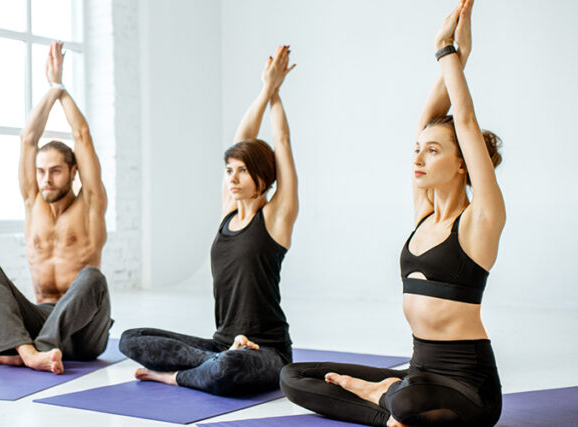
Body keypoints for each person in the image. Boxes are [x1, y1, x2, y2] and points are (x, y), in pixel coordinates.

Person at [280, 2, 504, 425]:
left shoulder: (479, 221)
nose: (418, 157)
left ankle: (388, 397)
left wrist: (447, 52)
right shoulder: (423, 212)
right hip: (419, 372)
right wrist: (459, 59)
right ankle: (389, 408)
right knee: (293, 377)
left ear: (464, 165)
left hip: (467, 387)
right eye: (416, 149)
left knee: (409, 401)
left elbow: (467, 123)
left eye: (432, 151)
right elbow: (426, 119)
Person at [118, 45, 299, 396]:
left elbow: (283, 142)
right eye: (229, 170)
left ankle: (176, 376)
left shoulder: (276, 218)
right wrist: (264, 89)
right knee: (131, 340)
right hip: (221, 343)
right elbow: (241, 139)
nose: (232, 178)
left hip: (267, 351)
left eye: (242, 171)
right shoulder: (228, 212)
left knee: (232, 367)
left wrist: (276, 95)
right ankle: (210, 363)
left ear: (263, 176)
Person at [0, 41, 111, 375]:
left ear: (73, 172)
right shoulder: (33, 201)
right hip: (43, 315)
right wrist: (50, 89)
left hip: (86, 332)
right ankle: (28, 349)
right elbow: (27, 139)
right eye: (41, 171)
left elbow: (83, 134)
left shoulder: (90, 204)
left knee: (92, 277)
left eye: (56, 170)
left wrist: (61, 88)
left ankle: (31, 352)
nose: (46, 178)